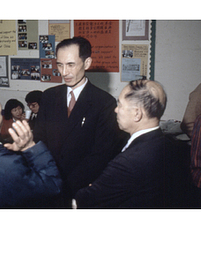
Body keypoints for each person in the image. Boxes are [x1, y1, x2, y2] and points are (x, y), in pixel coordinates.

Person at [33, 36, 127, 207]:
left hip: (81, 188)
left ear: (87, 63)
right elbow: (39, 140)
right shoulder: (48, 96)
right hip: (47, 182)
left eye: (70, 64)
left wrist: (67, 186)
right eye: (59, 64)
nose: (64, 72)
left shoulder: (104, 102)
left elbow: (101, 154)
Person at [75, 79, 190, 208]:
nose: (116, 110)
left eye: (120, 105)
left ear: (137, 114)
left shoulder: (129, 161)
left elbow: (86, 200)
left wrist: (96, 188)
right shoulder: (173, 147)